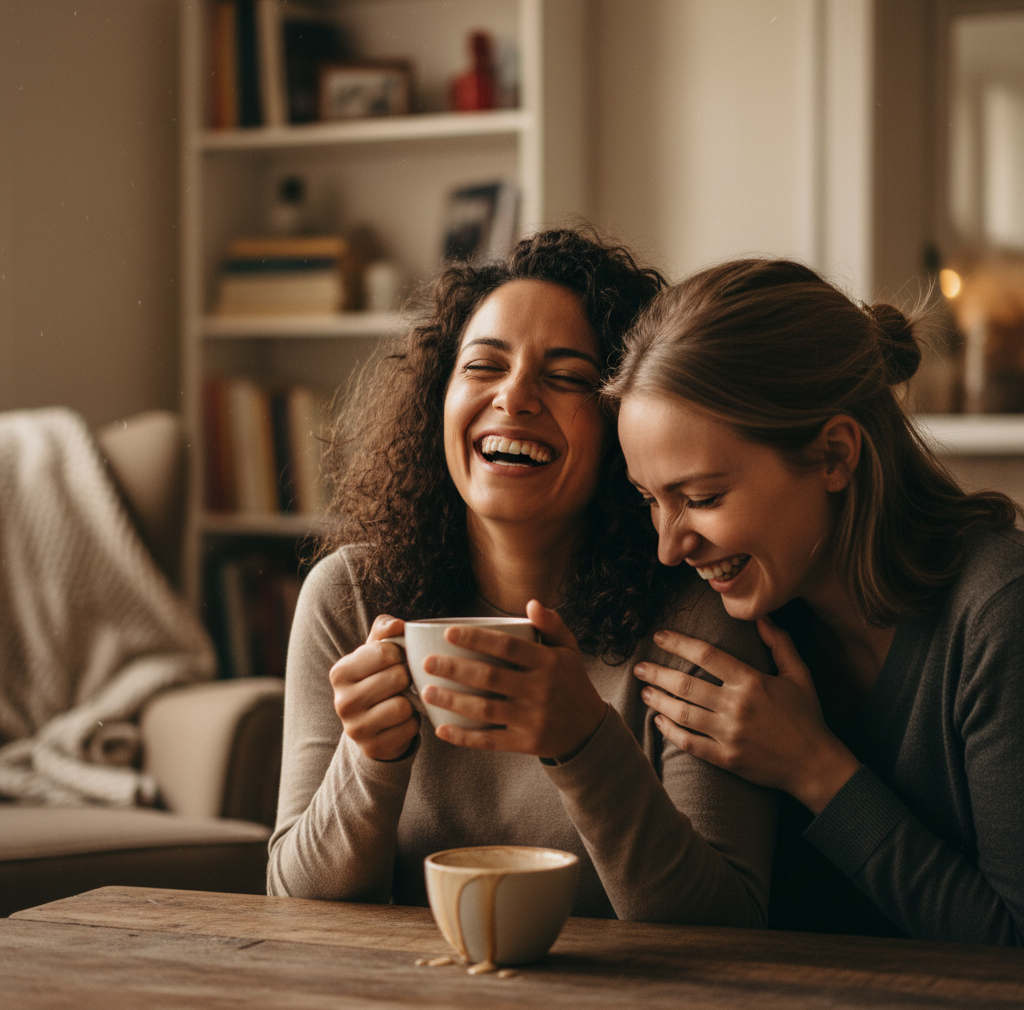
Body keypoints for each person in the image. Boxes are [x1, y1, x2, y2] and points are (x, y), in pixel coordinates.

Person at [267, 228, 778, 925]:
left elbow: (729, 926)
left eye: (567, 377)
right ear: (437, 400)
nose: (515, 397)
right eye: (483, 367)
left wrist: (584, 743)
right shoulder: (348, 598)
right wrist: (369, 762)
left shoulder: (695, 613)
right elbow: (290, 907)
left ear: (625, 423)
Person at [604, 256, 1024, 945]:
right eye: (651, 501)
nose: (669, 547)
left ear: (834, 455)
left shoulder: (999, 615)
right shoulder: (746, 619)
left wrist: (814, 768)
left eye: (702, 498)